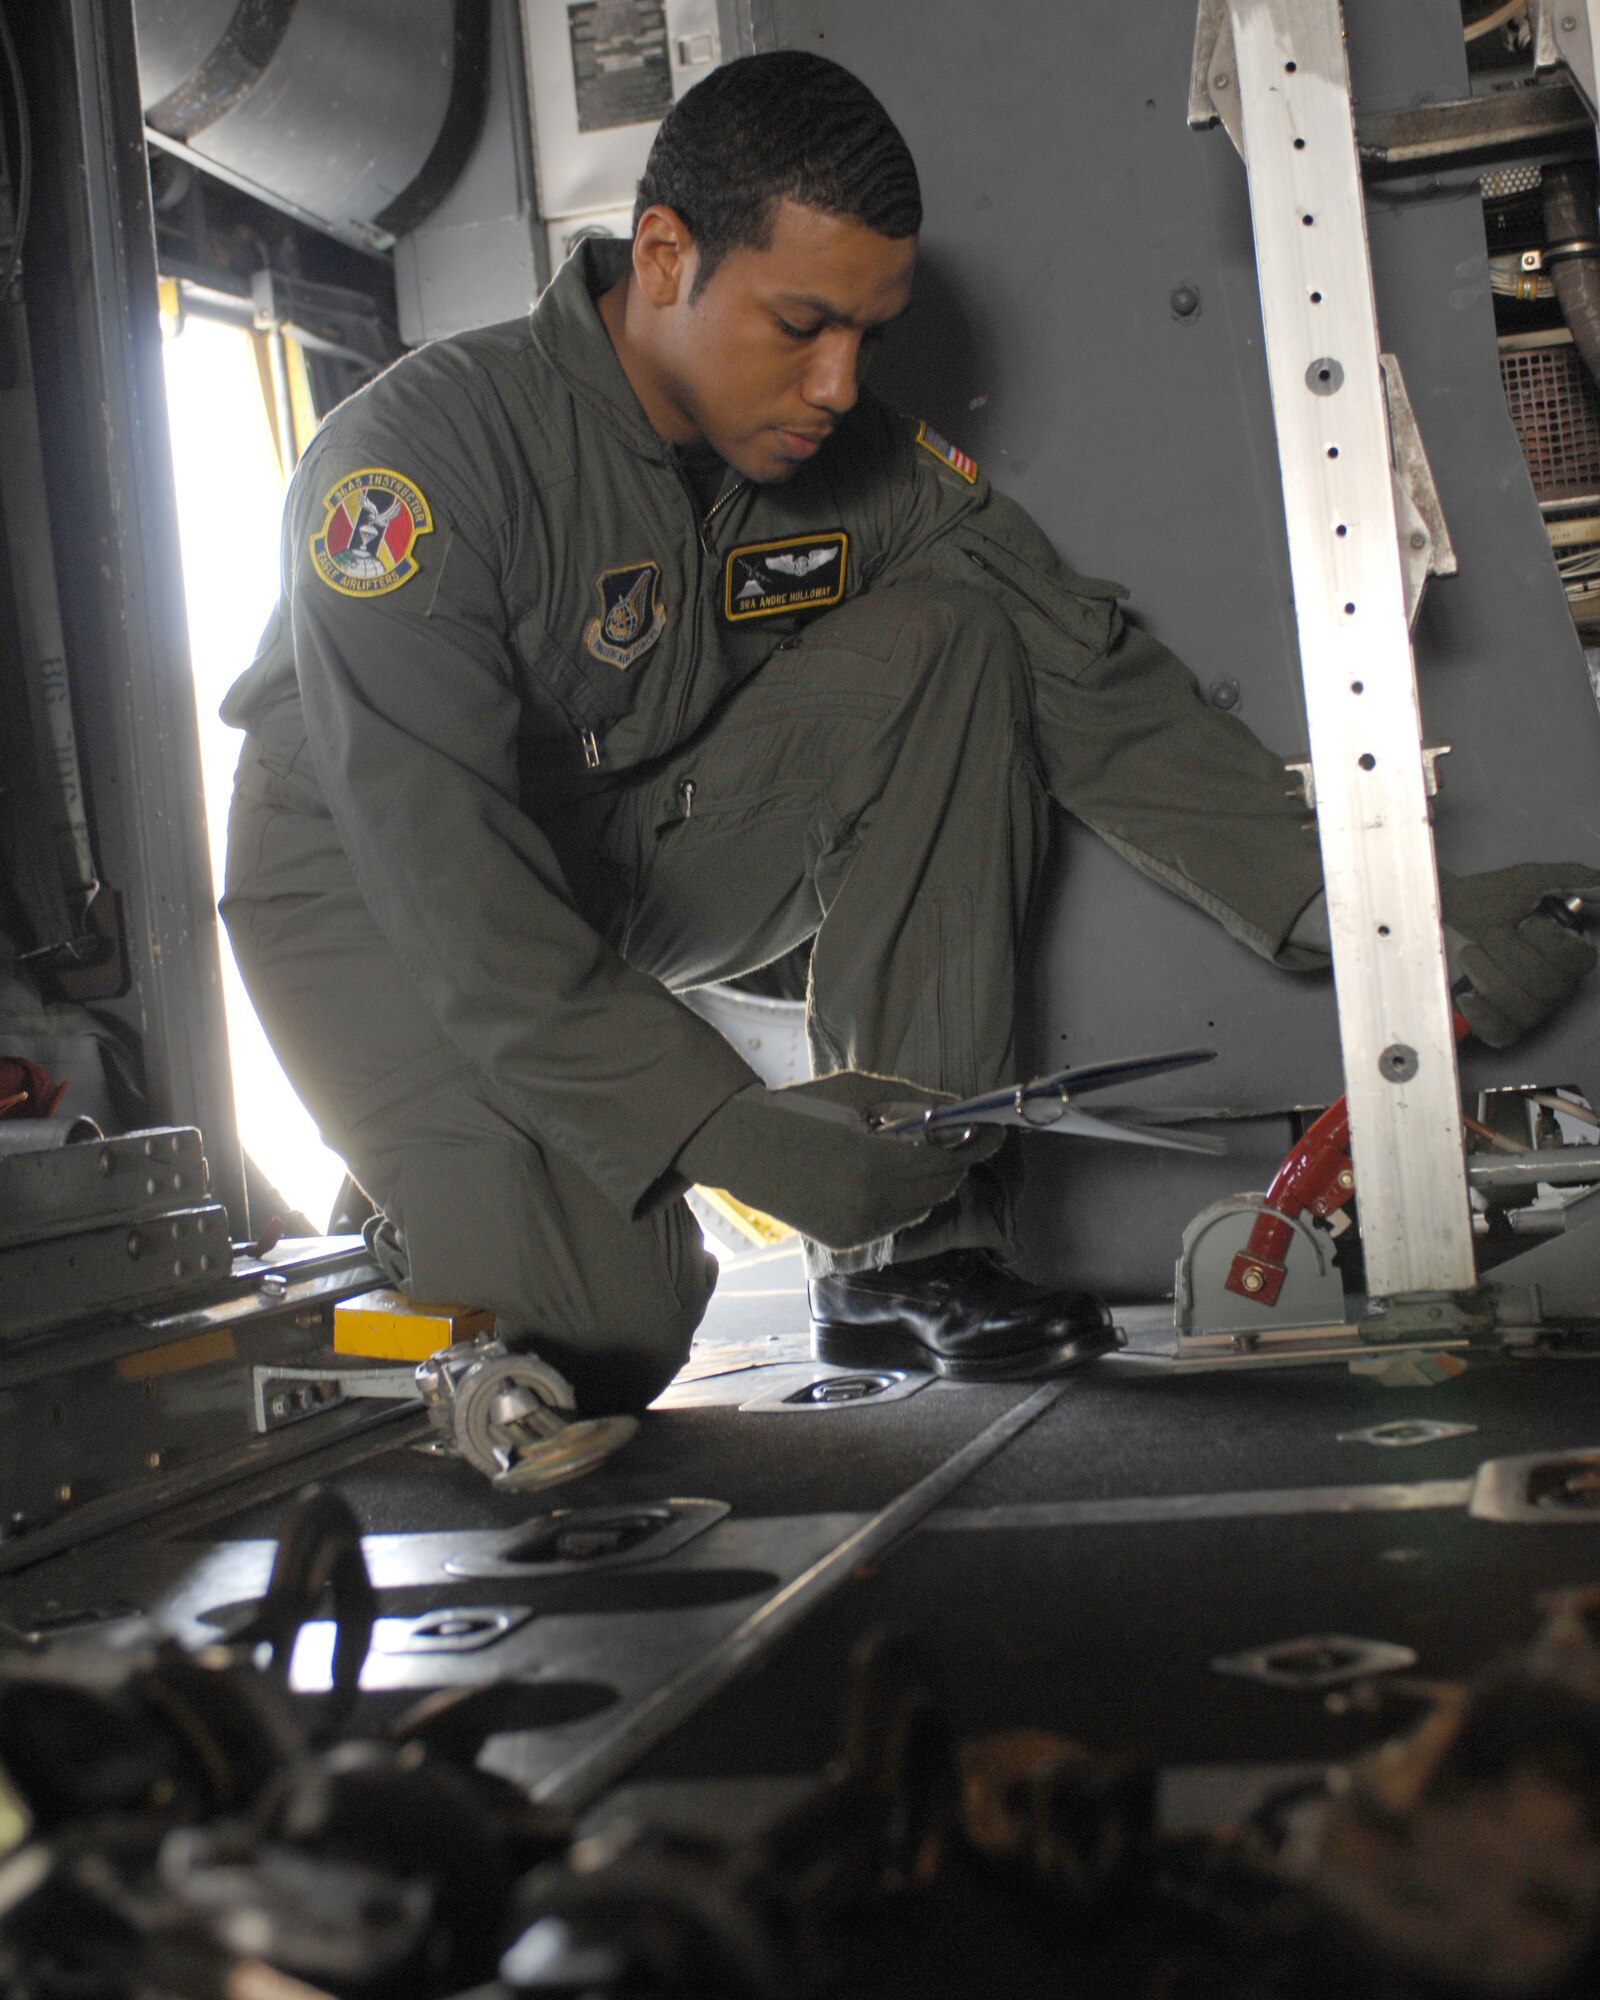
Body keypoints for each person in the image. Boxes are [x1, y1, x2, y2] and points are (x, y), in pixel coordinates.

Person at [219, 52, 1598, 1432]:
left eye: (865, 337)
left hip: (610, 850)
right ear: (661, 256)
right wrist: (715, 1125)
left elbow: (1081, 661)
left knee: (956, 636)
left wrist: (1371, 916)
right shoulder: (419, 462)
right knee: (601, 1329)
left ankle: (908, 1258)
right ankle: (351, 1286)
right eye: (802, 324)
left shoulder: (842, 460)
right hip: (367, 894)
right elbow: (444, 869)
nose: (837, 384)